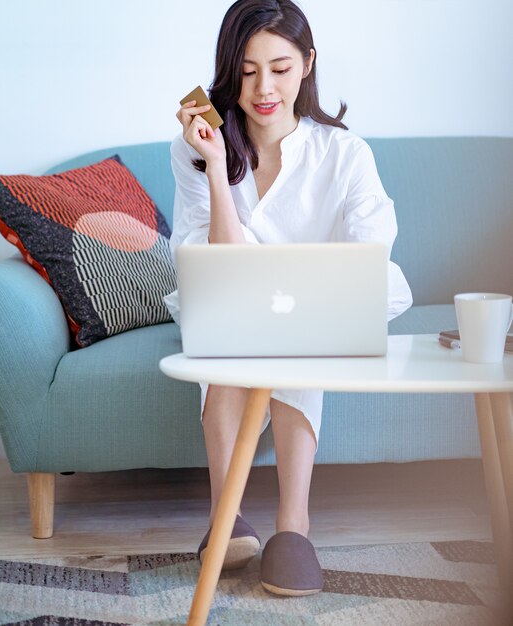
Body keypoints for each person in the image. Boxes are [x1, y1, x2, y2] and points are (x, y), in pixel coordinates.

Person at [164, 0, 412, 596]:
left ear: (307, 64)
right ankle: (227, 517)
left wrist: (307, 290)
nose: (263, 88)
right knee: (225, 334)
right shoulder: (197, 149)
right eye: (247, 71)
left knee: (302, 329)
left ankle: (293, 526)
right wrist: (219, 162)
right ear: (229, 71)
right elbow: (219, 268)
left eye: (279, 67)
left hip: (318, 306)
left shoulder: (345, 153)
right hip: (228, 298)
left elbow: (369, 251)